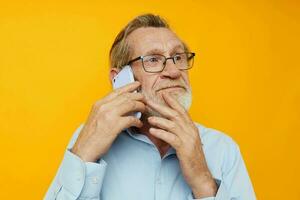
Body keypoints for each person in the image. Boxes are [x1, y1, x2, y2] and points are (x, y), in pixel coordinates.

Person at [44, 14, 256, 200]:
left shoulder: (223, 149)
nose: (174, 71)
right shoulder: (88, 138)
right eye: (154, 60)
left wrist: (203, 180)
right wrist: (83, 154)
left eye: (178, 57)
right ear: (121, 79)